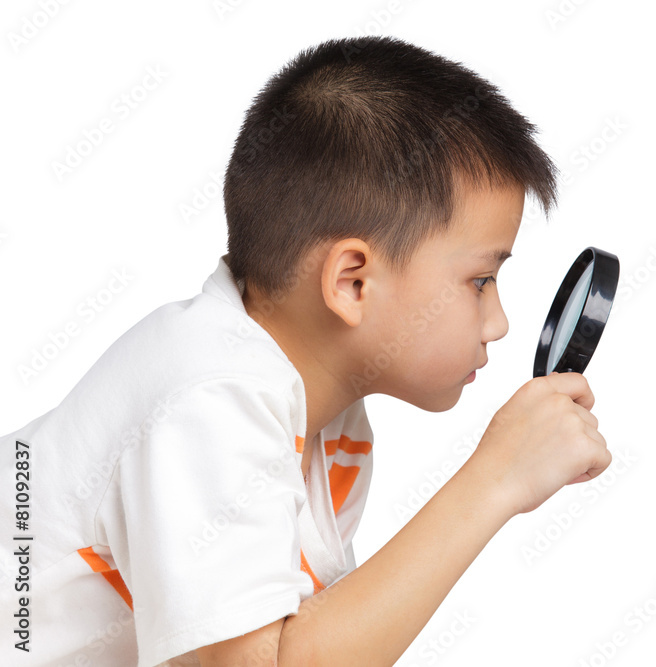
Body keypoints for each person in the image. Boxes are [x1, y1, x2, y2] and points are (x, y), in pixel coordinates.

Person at [0, 35, 611, 666]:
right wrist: (495, 479)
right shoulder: (212, 394)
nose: (499, 324)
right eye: (480, 281)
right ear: (352, 283)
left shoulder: (327, 426)